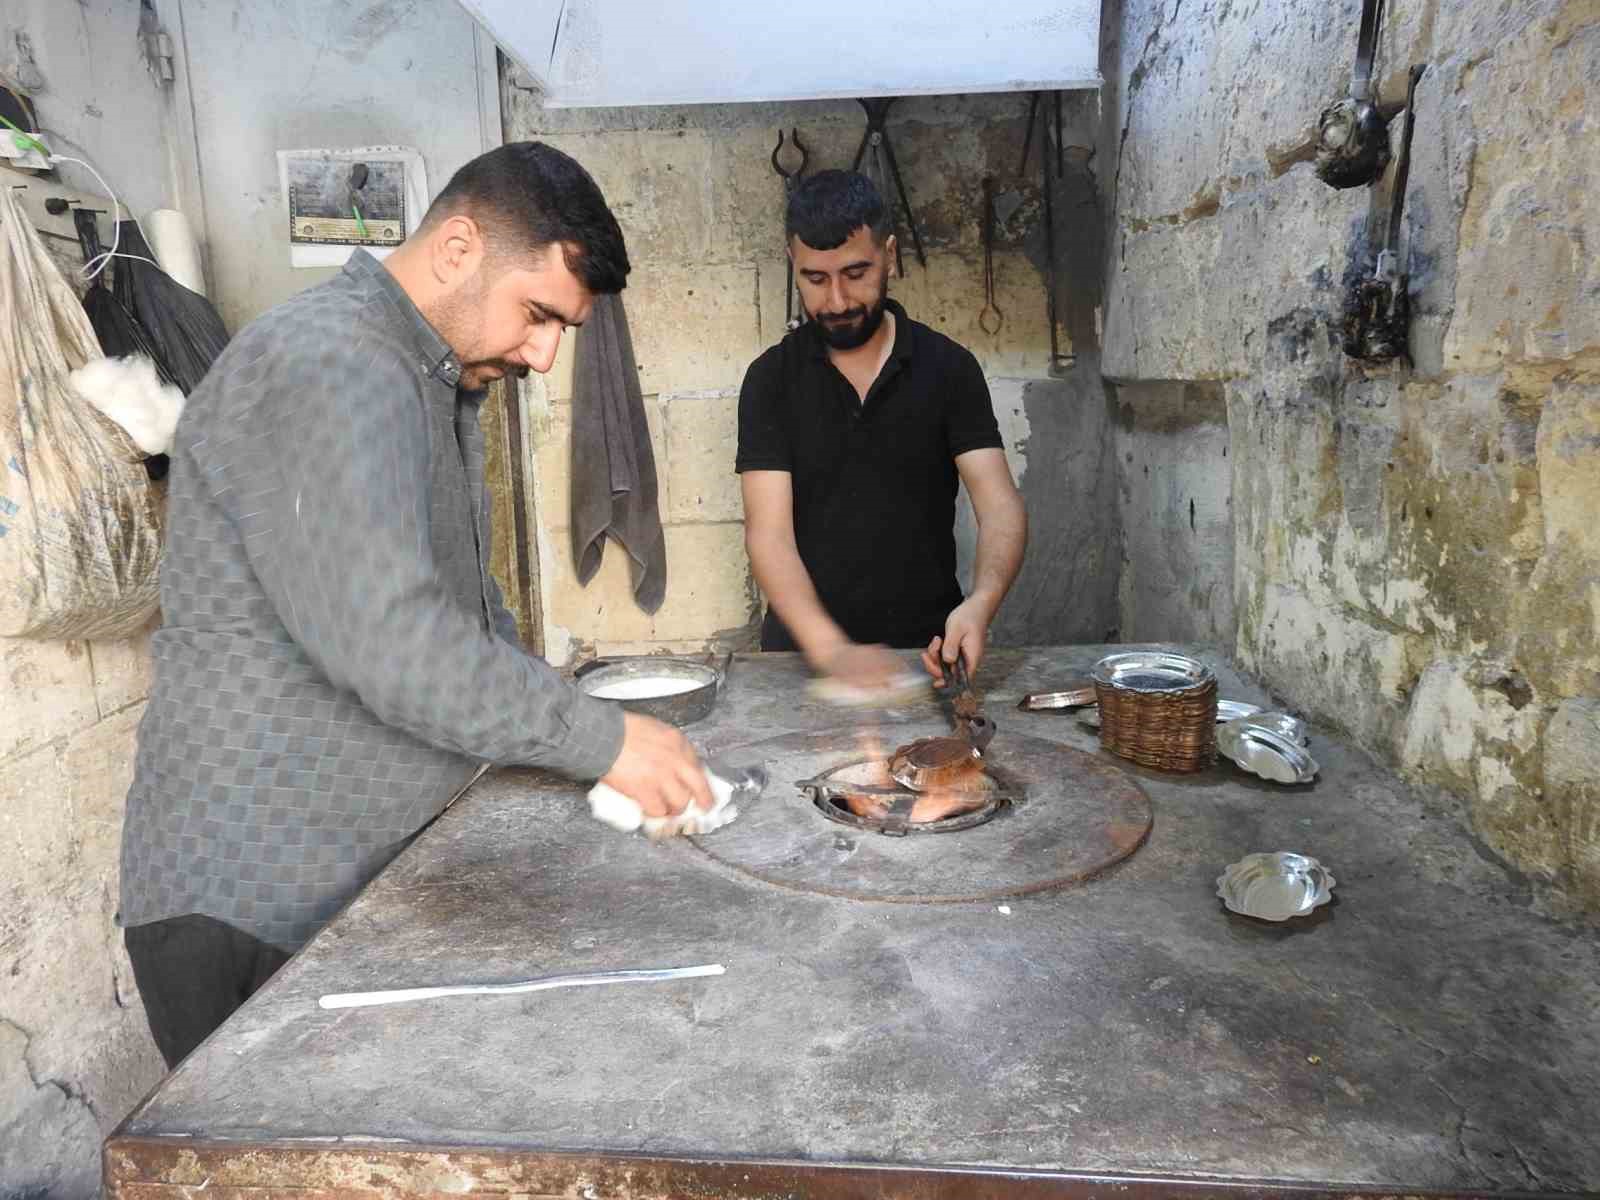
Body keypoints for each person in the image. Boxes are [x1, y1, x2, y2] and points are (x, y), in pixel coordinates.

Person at [118, 142, 711, 1069]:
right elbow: (390, 638)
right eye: (538, 315)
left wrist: (561, 732)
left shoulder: (421, 376)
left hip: (350, 879)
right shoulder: (332, 363)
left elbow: (467, 614)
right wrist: (602, 739)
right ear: (459, 247)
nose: (544, 354)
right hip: (256, 899)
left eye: (562, 329)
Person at [736, 170, 1027, 691]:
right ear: (792, 264)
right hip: (798, 662)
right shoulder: (770, 380)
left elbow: (999, 506)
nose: (837, 301)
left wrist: (980, 604)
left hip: (927, 656)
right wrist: (830, 649)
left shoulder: (949, 369)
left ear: (889, 255)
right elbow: (768, 534)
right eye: (815, 279)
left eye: (856, 273)